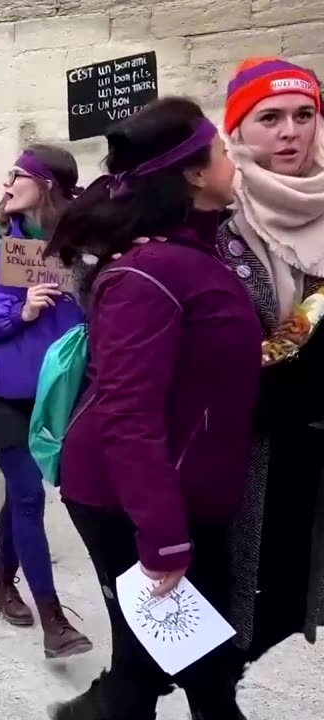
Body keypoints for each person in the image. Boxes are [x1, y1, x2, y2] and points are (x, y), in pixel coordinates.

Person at [45, 97, 258, 719]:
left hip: (184, 491)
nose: (232, 160)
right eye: (222, 150)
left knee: (173, 664)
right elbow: (128, 413)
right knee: (196, 667)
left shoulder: (188, 251)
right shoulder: (149, 271)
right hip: (130, 498)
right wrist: (161, 540)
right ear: (194, 172)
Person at [0, 143, 92, 658]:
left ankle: (0, 586)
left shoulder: (79, 243)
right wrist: (18, 310)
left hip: (57, 395)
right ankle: (54, 621)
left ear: (46, 184)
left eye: (17, 176)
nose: (6, 186)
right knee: (28, 494)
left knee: (22, 495)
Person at [215, 57, 324, 674]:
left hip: (309, 443)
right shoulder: (211, 220)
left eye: (304, 115)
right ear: (238, 132)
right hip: (239, 448)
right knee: (224, 616)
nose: (290, 132)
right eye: (270, 118)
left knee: (286, 601)